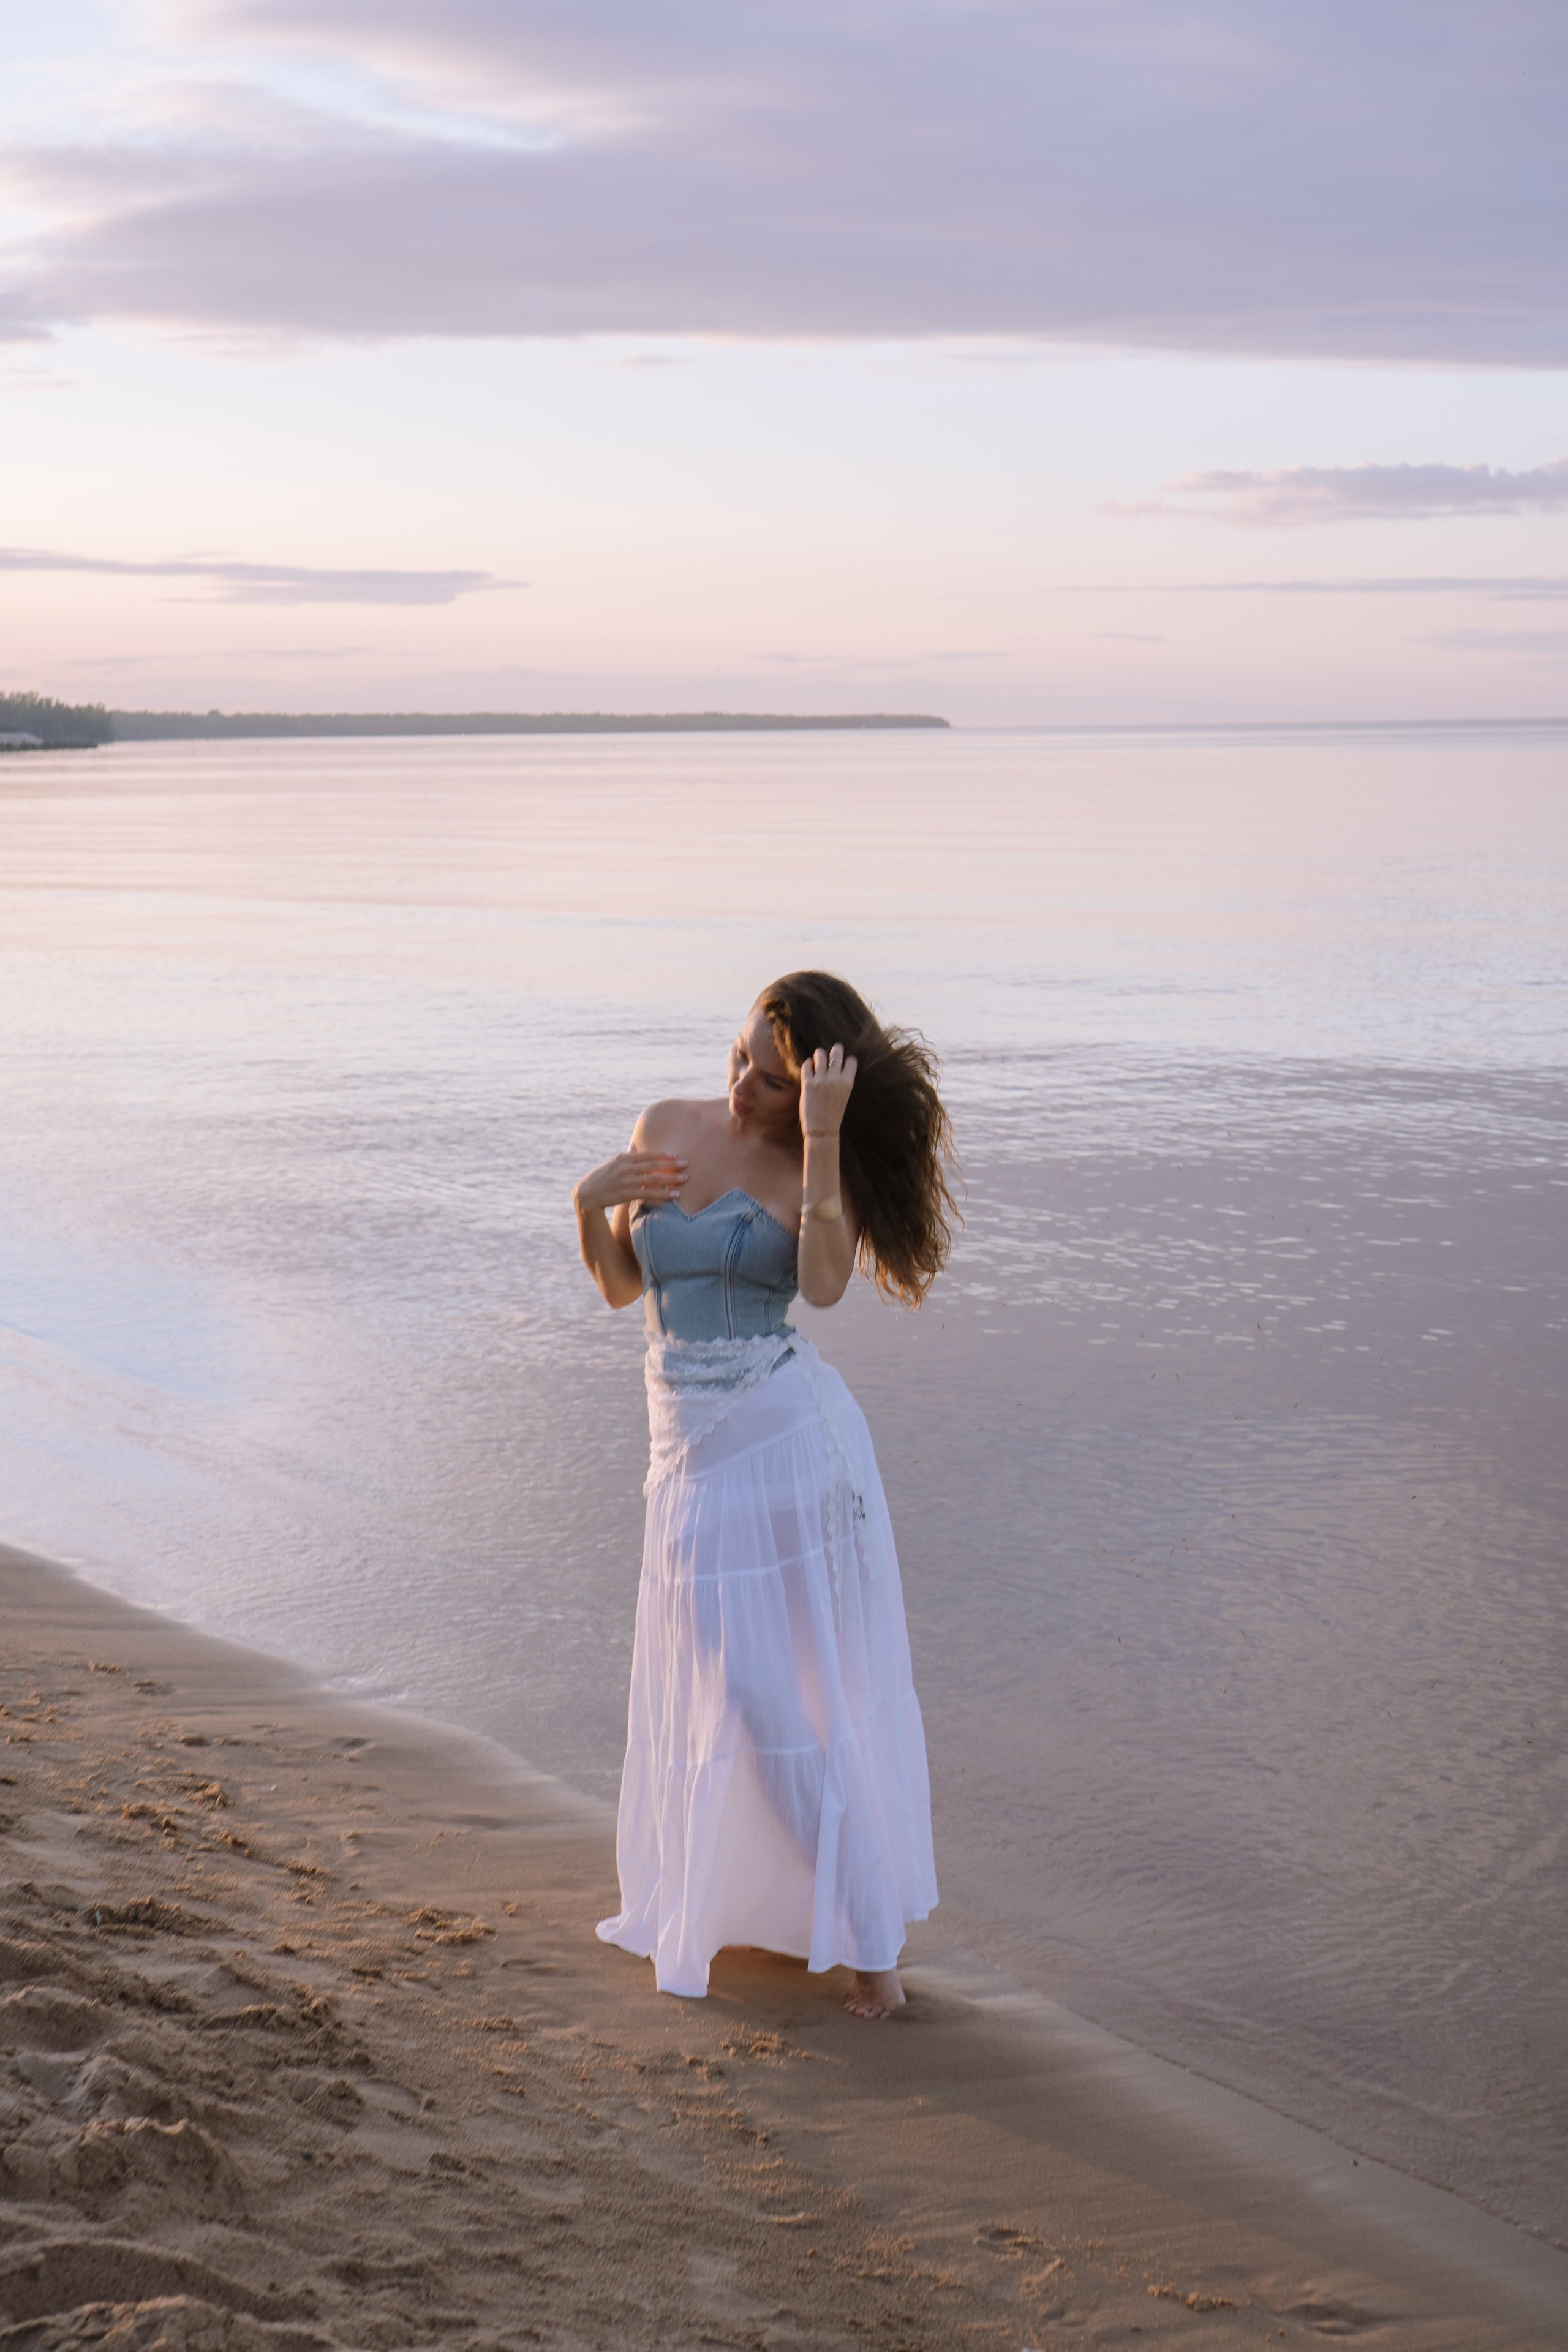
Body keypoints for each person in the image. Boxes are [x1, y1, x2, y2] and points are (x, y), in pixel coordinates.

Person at [571, 971, 956, 2018]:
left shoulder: (808, 1163)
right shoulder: (668, 1126)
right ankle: (808, 1919)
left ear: (815, 1092)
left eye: (773, 1081)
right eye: (740, 1056)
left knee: (775, 1697)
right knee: (752, 1694)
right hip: (684, 1450)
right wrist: (588, 1205)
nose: (742, 1088)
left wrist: (821, 1136)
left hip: (783, 1448)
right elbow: (624, 1286)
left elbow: (822, 1286)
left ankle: (874, 1955)